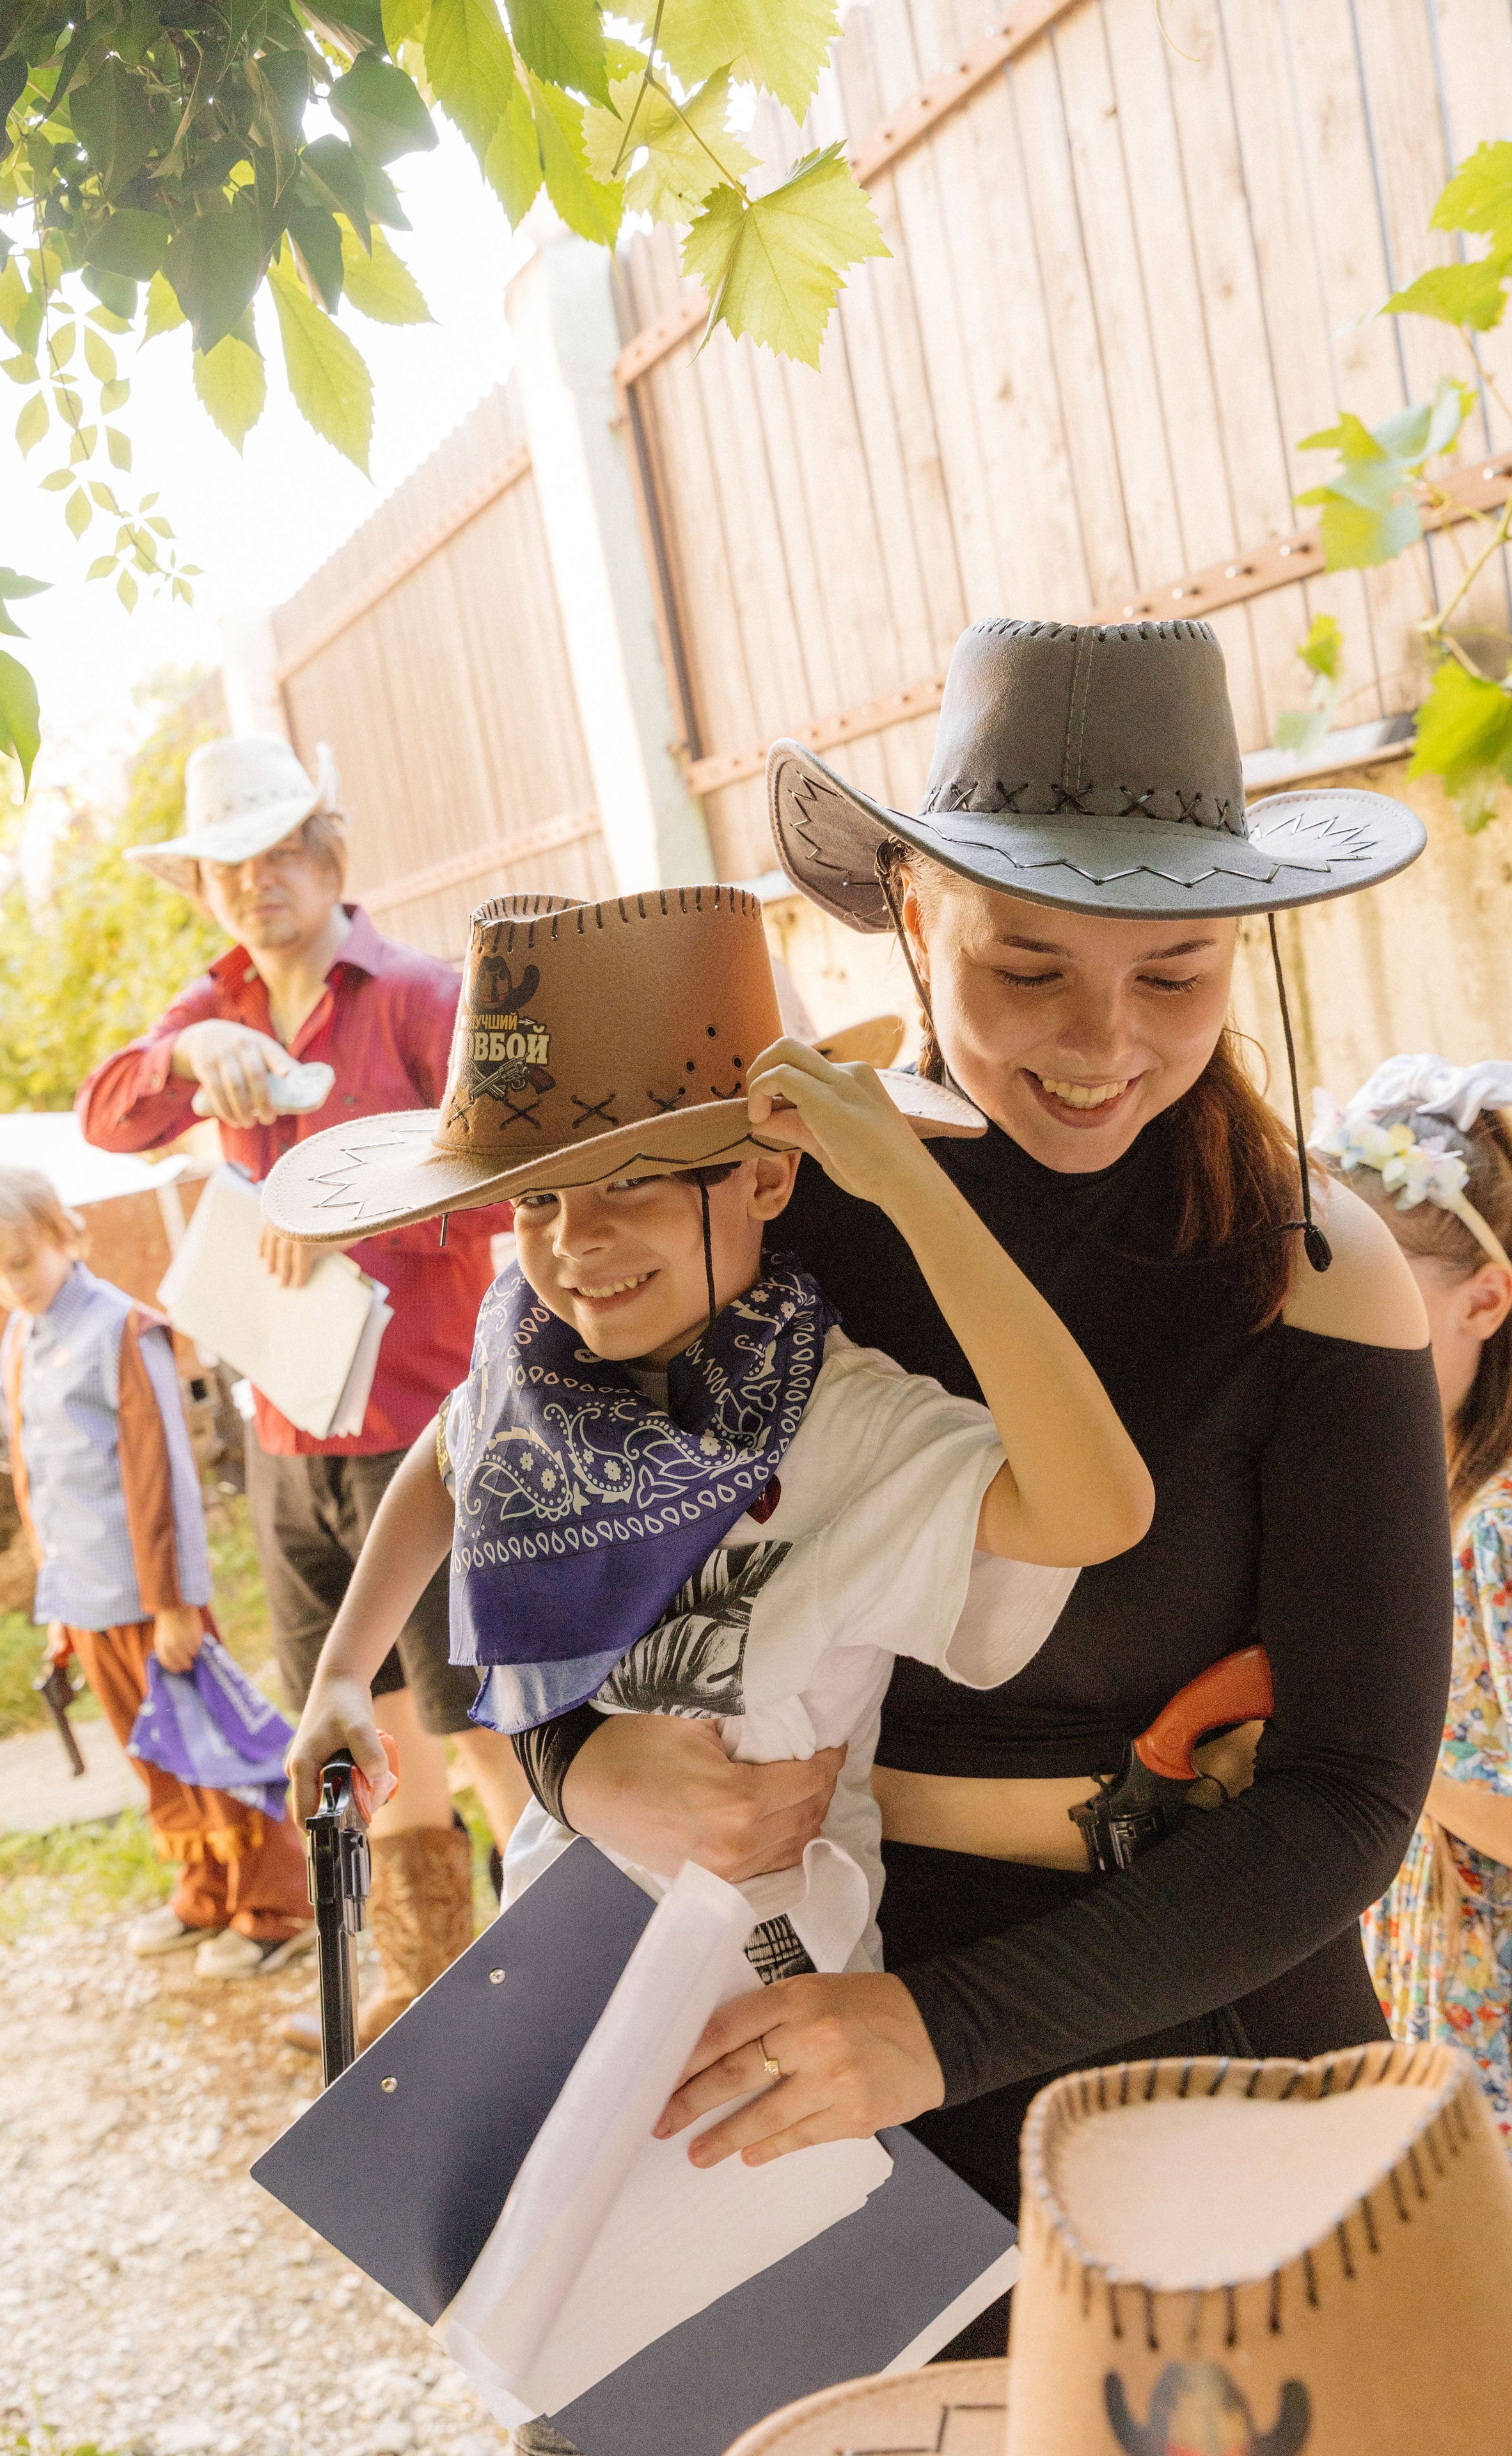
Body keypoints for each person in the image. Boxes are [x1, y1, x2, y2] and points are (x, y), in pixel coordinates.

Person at [510, 619, 1455, 2357]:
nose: (1106, 1044)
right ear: (908, 911)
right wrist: (577, 1759)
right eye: (1030, 971)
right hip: (786, 2029)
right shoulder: (756, 1197)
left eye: (1177, 979)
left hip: (1203, 2025)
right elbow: (515, 1546)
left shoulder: (1322, 1271)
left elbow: (1348, 1799)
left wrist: (935, 2030)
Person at [269, 886, 1153, 1988]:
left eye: (631, 1184)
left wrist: (911, 1193)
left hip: (770, 2003)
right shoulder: (538, 1364)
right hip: (555, 1957)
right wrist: (343, 1672)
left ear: (770, 1175)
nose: (577, 1244)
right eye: (535, 1202)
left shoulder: (849, 1428)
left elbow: (1098, 1511)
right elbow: (455, 1455)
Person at [75, 732, 528, 2043]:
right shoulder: (209, 1008)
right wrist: (186, 1050)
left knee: (481, 1730)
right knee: (368, 1736)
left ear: (333, 858)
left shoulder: (424, 995)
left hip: (427, 1430)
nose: (256, 881)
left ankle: (566, 2004)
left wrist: (353, 1215)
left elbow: (509, 1166)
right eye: (228, 863)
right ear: (203, 889)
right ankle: (438, 2003)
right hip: (288, 1434)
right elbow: (109, 1117)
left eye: (281, 851)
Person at [0, 1165, 313, 1972]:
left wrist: (178, 1601)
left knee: (212, 1750)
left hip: (153, 1599)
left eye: (22, 1262)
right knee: (151, 1755)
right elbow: (34, 1478)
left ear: (63, 1235)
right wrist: (58, 1607)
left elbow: (164, 1474)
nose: (11, 1285)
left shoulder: (124, 1329)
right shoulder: (21, 1338)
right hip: (86, 1600)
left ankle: (276, 1906)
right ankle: (206, 1890)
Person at [1314, 1057, 1512, 2145]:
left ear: (1485, 1300)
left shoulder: (1500, 1525)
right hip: (1425, 2023)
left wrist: (1366, 1747)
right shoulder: (1385, 1503)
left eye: (1384, 1299)